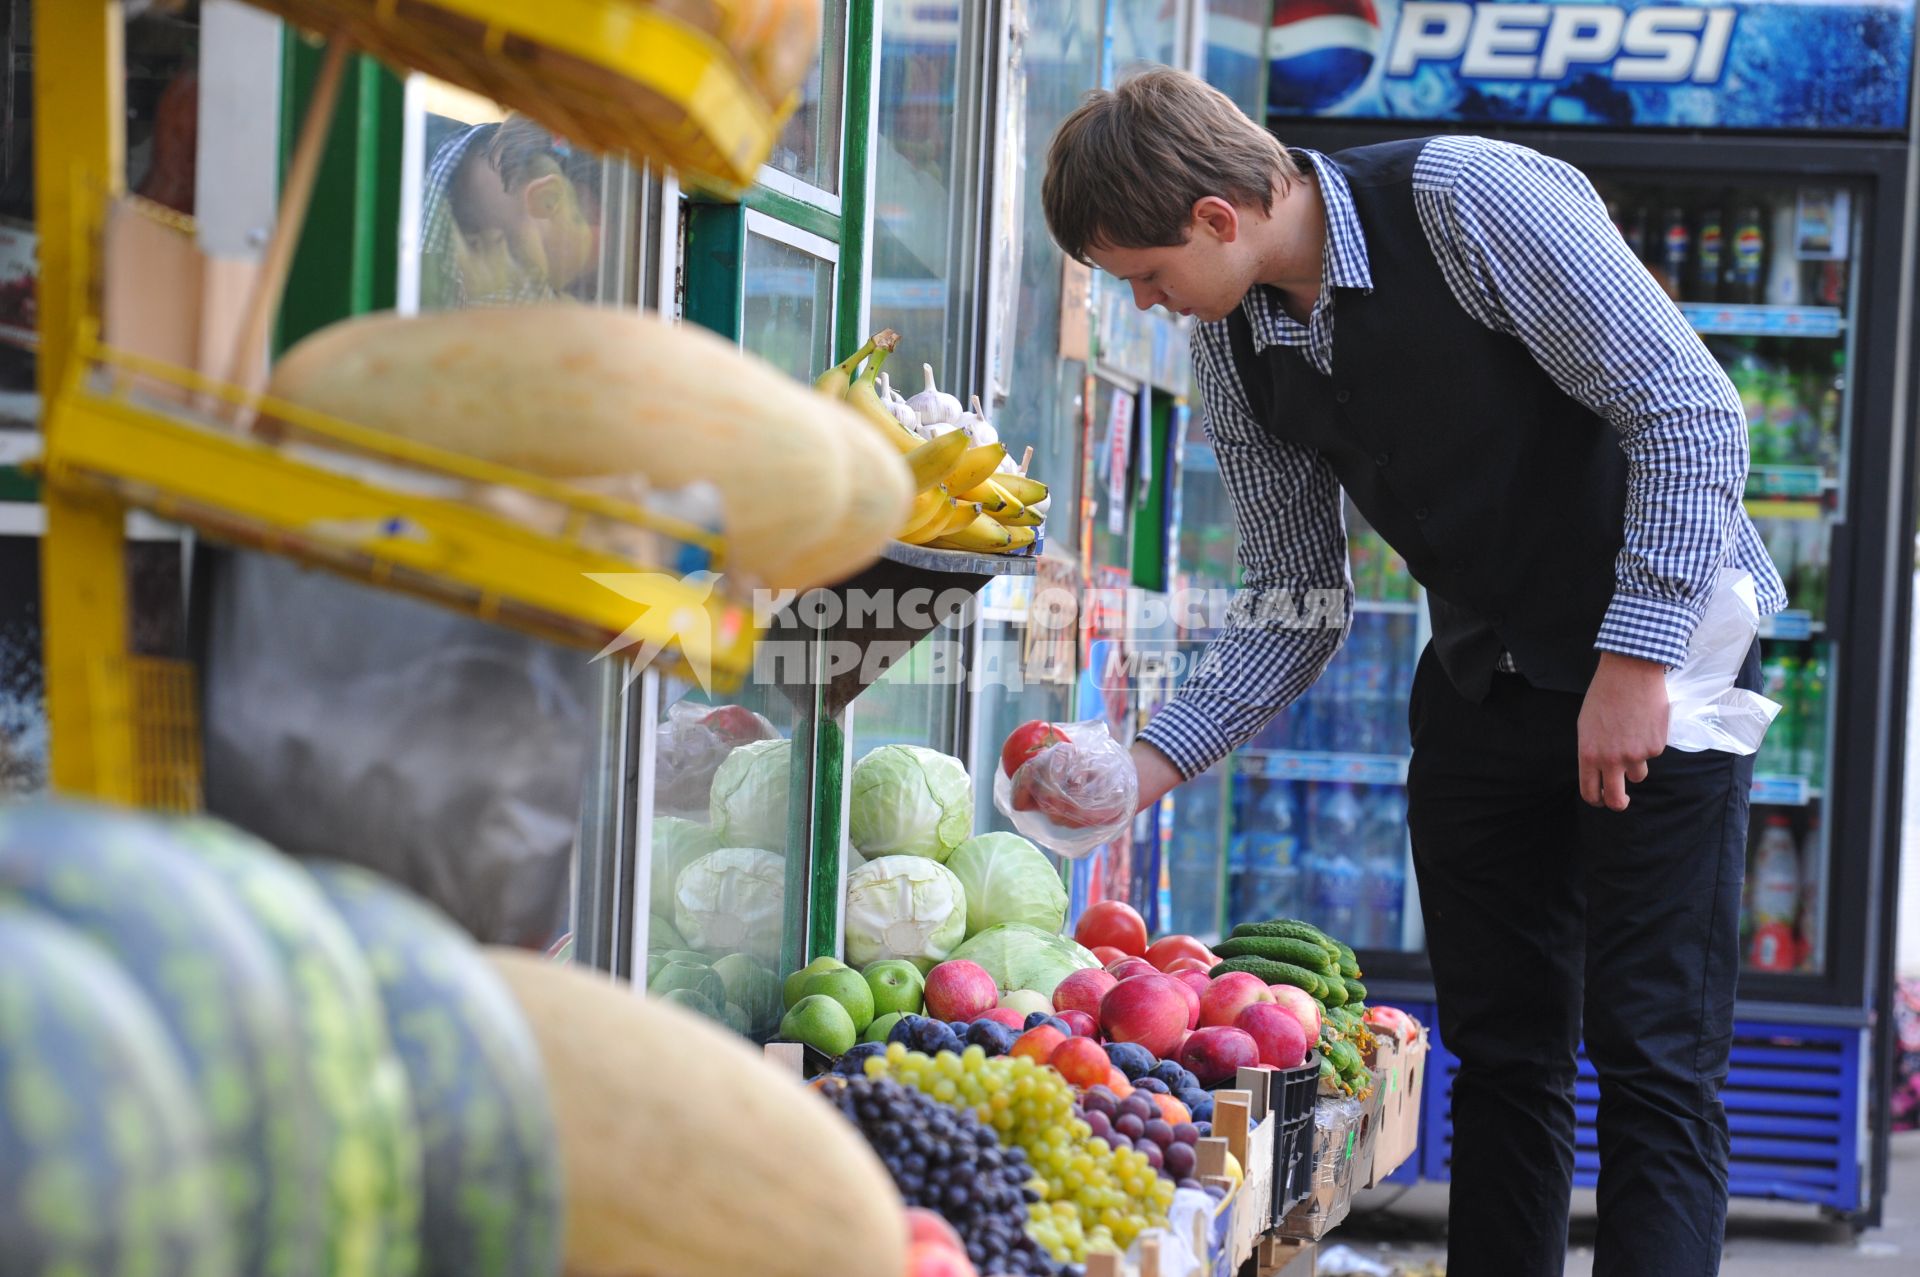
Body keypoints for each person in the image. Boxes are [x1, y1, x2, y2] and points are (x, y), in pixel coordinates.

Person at [1041, 68, 1784, 1277]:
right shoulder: (1238, 348)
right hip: (1484, 686)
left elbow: (1693, 412)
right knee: (1503, 1059)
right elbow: (1296, 603)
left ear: (1219, 218)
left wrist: (1634, 658)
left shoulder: (1465, 200)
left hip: (1668, 671)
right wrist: (1139, 763)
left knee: (1655, 1062)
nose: (1152, 302)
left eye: (1147, 272)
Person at [420, 113, 602, 309]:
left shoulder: (524, 281)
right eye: (581, 221)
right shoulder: (397, 130)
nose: (597, 254)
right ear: (547, 199)